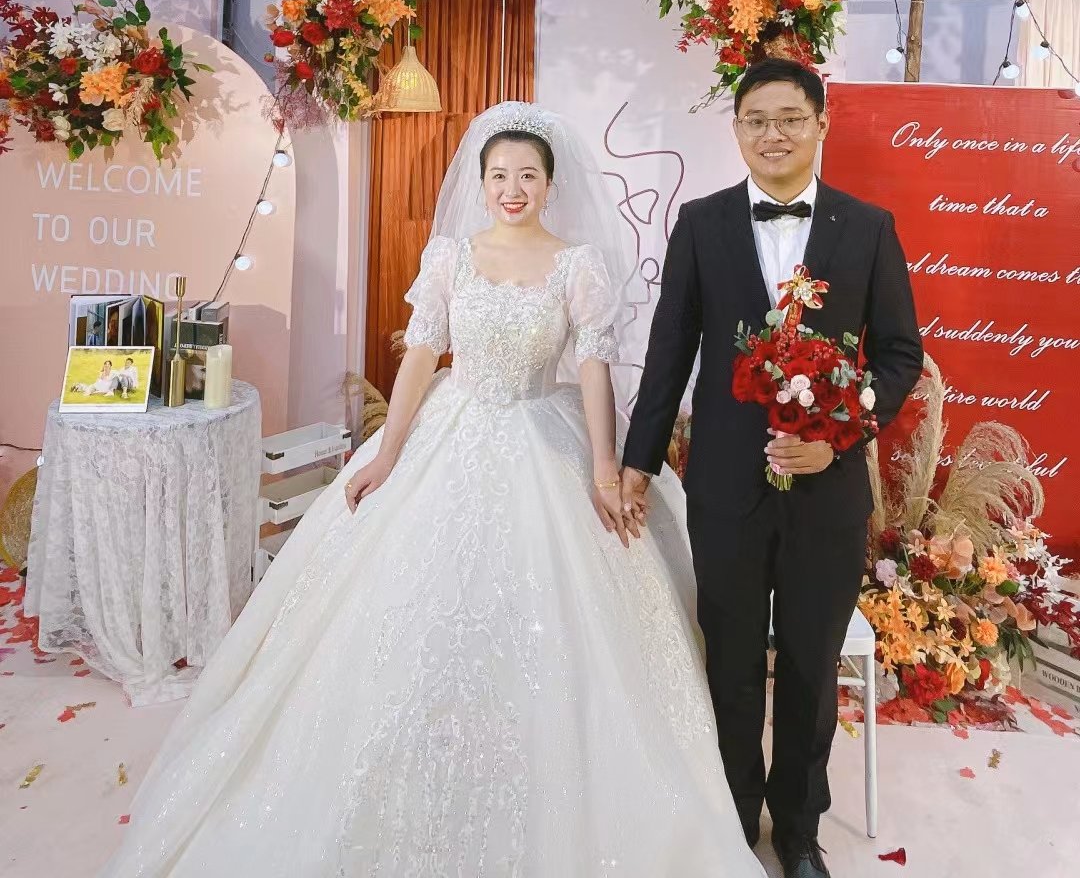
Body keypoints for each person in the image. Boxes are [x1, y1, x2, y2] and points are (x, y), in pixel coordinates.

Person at [101, 101, 765, 878]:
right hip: (451, 430)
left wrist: (600, 469)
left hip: (543, 434)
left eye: (527, 176)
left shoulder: (577, 265)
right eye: (499, 175)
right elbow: (421, 355)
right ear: (481, 184)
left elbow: (593, 370)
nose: (512, 189)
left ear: (550, 185)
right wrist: (388, 454)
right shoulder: (451, 255)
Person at [622, 59, 923, 878]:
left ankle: (798, 831)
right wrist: (638, 462)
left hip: (829, 491)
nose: (773, 134)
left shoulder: (869, 228)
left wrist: (840, 436)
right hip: (726, 486)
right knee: (728, 662)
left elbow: (899, 355)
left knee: (810, 665)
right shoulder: (701, 223)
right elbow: (669, 352)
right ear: (737, 129)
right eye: (756, 120)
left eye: (790, 118)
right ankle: (730, 817)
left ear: (821, 124)